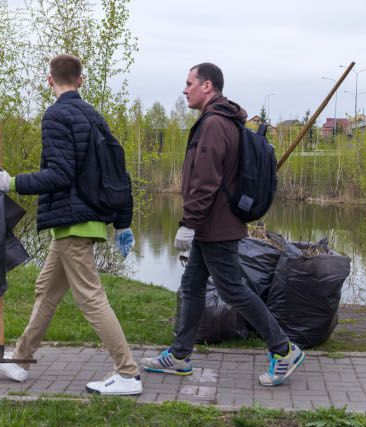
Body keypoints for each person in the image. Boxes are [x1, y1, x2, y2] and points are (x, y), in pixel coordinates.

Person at [0, 54, 142, 396]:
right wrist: (122, 222)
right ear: (81, 80)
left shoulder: (56, 115)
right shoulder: (93, 116)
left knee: (90, 298)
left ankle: (128, 373)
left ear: (49, 80)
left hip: (73, 222)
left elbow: (60, 174)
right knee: (47, 289)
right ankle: (21, 360)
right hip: (82, 219)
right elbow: (118, 170)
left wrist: (10, 183)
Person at [140, 63, 305, 386]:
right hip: (212, 224)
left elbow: (205, 180)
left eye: (189, 83)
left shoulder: (214, 123)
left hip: (215, 226)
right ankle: (179, 355)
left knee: (233, 289)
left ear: (207, 86)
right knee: (192, 286)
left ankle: (284, 349)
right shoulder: (220, 120)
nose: (184, 89)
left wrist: (189, 222)